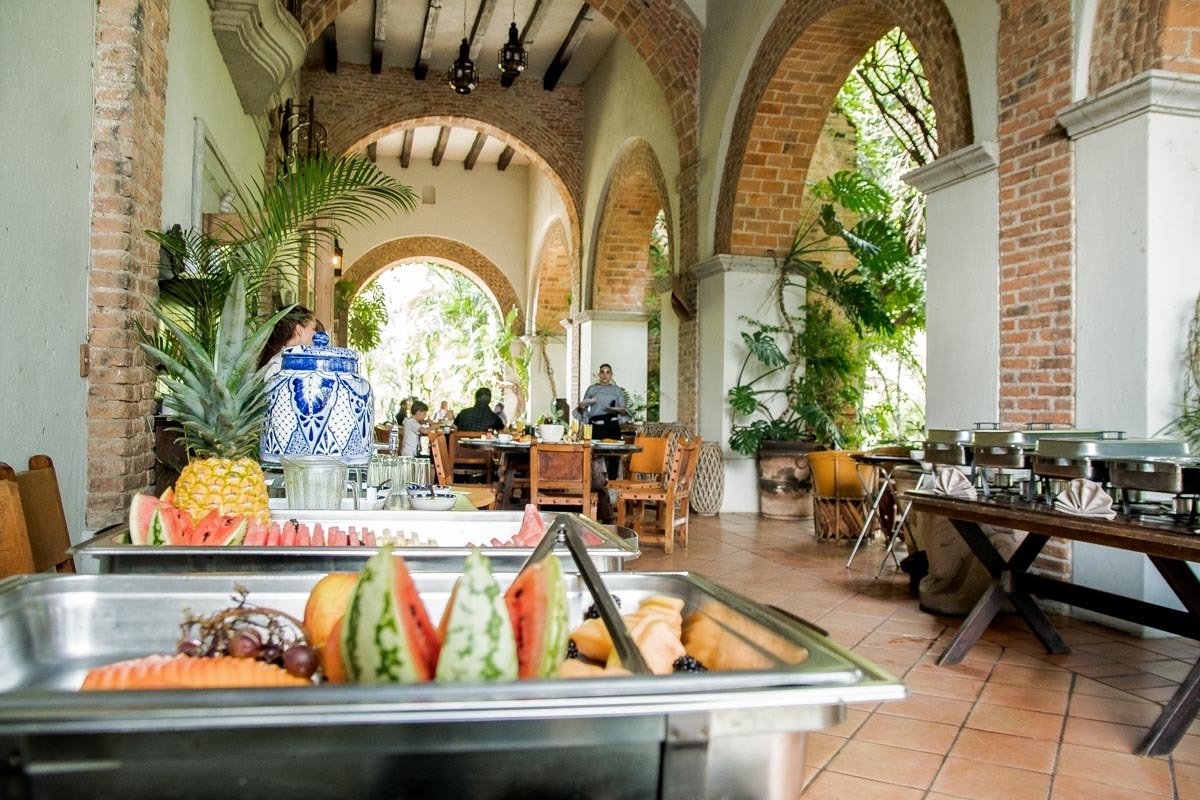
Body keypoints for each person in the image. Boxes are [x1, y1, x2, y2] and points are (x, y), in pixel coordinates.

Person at [258, 306, 318, 381]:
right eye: (313, 328)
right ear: (300, 330)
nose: (315, 333)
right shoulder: (286, 363)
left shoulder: (277, 359)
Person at [575, 363, 628, 441]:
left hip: (612, 426)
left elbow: (622, 408)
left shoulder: (617, 390)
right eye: (602, 372)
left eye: (607, 372)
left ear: (611, 375)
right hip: (596, 426)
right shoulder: (592, 389)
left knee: (613, 451)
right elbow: (583, 408)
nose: (605, 375)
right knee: (595, 451)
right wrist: (582, 408)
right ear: (599, 374)